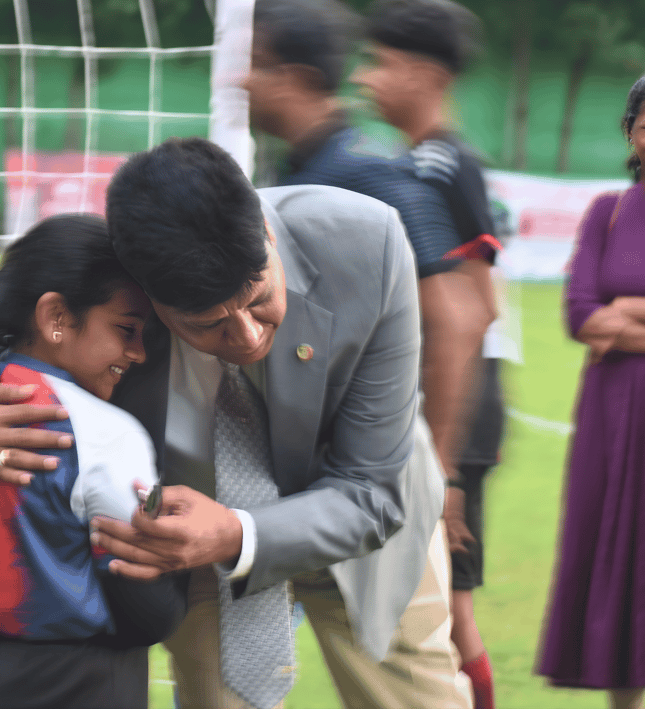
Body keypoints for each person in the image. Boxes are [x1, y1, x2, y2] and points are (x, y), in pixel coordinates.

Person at [0, 138, 424, 709]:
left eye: (258, 298)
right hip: (186, 555)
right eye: (206, 323)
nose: (247, 337)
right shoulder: (107, 291)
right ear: (149, 299)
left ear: (267, 234)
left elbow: (373, 490)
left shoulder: (370, 241)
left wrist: (236, 531)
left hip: (362, 525)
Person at [243, 1, 489, 706]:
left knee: (414, 675)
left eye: (249, 66)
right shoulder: (298, 164)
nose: (235, 84)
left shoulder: (365, 172)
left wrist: (437, 469)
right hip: (287, 476)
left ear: (288, 76)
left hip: (371, 472)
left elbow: (462, 314)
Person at [0, 214, 186, 709]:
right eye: (126, 329)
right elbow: (146, 609)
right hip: (84, 679)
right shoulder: (105, 432)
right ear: (56, 318)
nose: (139, 352)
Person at [352, 3, 504, 708]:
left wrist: (443, 464)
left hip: (454, 418)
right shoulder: (416, 164)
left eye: (379, 62)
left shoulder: (441, 168)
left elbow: (478, 307)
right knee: (427, 614)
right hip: (433, 414)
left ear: (425, 74)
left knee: (446, 615)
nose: (363, 77)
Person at [538, 75, 645, 709]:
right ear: (632, 133)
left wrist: (627, 310)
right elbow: (581, 317)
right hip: (612, 414)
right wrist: (618, 313)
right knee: (615, 556)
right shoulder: (607, 211)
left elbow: (607, 319)